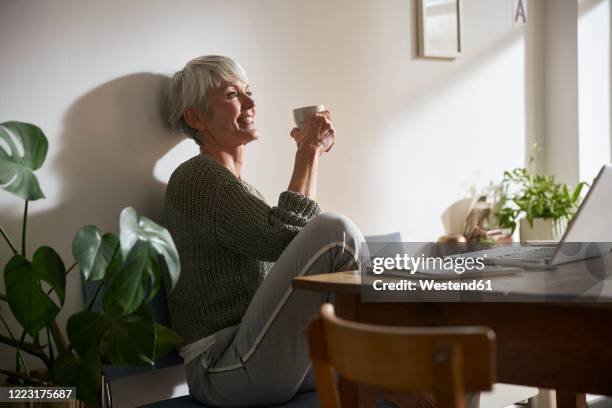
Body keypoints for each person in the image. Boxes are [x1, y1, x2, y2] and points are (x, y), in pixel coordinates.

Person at [162, 55, 365, 406]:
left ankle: (391, 363)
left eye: (249, 92)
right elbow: (284, 239)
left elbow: (291, 236)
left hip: (264, 355)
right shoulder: (196, 177)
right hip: (222, 368)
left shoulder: (242, 190)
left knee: (444, 365)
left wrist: (310, 152)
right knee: (337, 229)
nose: (251, 103)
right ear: (195, 117)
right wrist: (308, 151)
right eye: (231, 95)